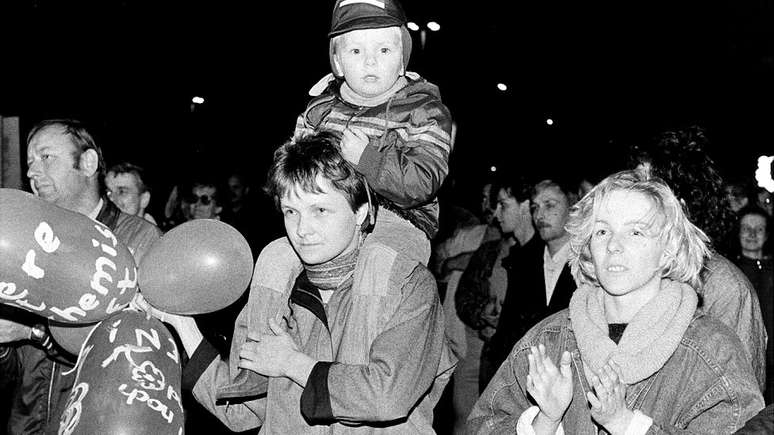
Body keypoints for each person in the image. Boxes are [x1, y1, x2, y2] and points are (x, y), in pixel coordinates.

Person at [142, 132, 455, 433]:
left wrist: (294, 364)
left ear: (361, 212)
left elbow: (386, 395)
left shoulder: (408, 284)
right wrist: (182, 324)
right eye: (291, 211)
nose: (303, 228)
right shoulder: (278, 289)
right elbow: (239, 410)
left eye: (320, 210)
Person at [222, 0, 454, 397]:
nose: (370, 62)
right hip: (333, 219)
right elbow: (294, 171)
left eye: (385, 50)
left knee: (376, 263)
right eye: (356, 51)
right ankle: (253, 367)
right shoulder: (319, 109)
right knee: (276, 256)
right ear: (337, 61)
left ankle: (353, 377)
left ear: (403, 58)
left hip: (400, 221)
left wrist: (367, 159)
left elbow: (424, 181)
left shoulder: (424, 109)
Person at [467, 169, 764, 434]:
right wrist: (545, 421)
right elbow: (482, 426)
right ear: (587, 250)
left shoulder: (712, 353)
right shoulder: (547, 342)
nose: (613, 245)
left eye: (636, 231)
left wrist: (627, 425)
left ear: (668, 251)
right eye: (602, 231)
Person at [0, 119, 161, 434]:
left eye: (46, 157)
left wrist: (35, 333)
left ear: (88, 163)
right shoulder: (26, 241)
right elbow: (13, 375)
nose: (31, 172)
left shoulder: (139, 241)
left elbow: (139, 355)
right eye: (29, 162)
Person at [631, 125, 767, 390]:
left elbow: (739, 398)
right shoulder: (635, 272)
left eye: (646, 192)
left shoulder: (725, 287)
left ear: (678, 205)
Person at [451, 173, 532, 434]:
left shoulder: (533, 258)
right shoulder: (489, 252)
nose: (495, 213)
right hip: (482, 353)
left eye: (502, 205)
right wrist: (482, 314)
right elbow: (464, 296)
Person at [479, 178, 578, 388]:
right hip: (522, 382)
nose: (540, 215)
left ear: (573, 208)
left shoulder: (587, 265)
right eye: (535, 207)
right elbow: (507, 333)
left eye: (550, 205)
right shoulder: (522, 262)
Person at [733, 205, 774, 403]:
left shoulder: (771, 269)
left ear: (766, 235)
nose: (751, 234)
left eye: (758, 229)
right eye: (746, 228)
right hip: (745, 365)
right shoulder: (730, 272)